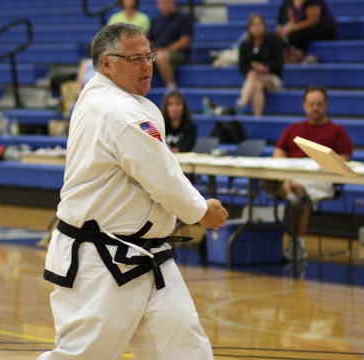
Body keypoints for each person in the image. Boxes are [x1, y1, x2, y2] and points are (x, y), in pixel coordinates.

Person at [38, 23, 229, 360]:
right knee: (82, 355)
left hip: (148, 255)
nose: (147, 66)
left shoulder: (126, 103)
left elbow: (160, 171)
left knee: (186, 349)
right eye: (135, 58)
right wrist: (201, 211)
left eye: (149, 56)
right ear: (106, 63)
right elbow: (162, 178)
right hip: (101, 260)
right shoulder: (118, 111)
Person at [266, 85, 353, 261]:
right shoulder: (293, 129)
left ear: (326, 105)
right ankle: (293, 199)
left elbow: (344, 159)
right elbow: (278, 153)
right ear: (305, 105)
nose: (315, 108)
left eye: (319, 104)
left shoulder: (337, 132)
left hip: (320, 178)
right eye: (312, 104)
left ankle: (298, 242)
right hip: (293, 175)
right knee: (271, 179)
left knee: (297, 187)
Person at [237, 13, 284, 117]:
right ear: (249, 28)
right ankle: (257, 117)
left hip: (273, 78)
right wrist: (250, 70)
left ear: (264, 26)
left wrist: (266, 68)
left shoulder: (274, 40)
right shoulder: (245, 44)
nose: (257, 28)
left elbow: (279, 62)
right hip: (254, 80)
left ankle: (241, 104)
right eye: (253, 25)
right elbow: (242, 65)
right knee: (258, 86)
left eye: (259, 24)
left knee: (254, 76)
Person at [148, 0, 193, 92]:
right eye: (162, 3)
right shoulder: (155, 20)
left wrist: (163, 50)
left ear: (173, 2)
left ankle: (172, 89)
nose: (165, 5)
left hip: (178, 54)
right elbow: (149, 40)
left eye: (167, 2)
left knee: (161, 57)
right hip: (156, 52)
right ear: (158, 4)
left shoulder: (183, 18)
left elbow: (185, 42)